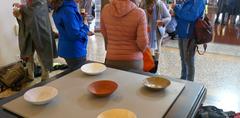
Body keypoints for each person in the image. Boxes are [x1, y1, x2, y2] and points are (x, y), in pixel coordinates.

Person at [13, 0, 56, 81]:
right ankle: (30, 75)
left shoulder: (41, 1)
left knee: (43, 54)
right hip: (28, 32)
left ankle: (45, 77)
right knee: (28, 54)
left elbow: (34, 11)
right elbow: (27, 11)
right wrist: (18, 12)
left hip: (40, 31)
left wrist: (21, 8)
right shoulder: (27, 2)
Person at [101, 0, 148, 71]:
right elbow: (143, 42)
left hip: (111, 58)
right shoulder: (140, 13)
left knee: (112, 82)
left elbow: (104, 33)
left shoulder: (105, 10)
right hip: (133, 61)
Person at [50, 0, 89, 69]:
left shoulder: (61, 6)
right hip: (75, 50)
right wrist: (85, 26)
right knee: (79, 76)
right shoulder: (68, 10)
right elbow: (75, 35)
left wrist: (80, 21)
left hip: (67, 48)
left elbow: (67, 28)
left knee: (74, 74)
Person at [172, 0, 205, 81]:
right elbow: (182, 15)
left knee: (189, 60)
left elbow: (192, 16)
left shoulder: (199, 1)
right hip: (181, 33)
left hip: (189, 35)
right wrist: (175, 14)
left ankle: (190, 82)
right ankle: (183, 78)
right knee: (183, 58)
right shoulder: (188, 1)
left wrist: (176, 9)